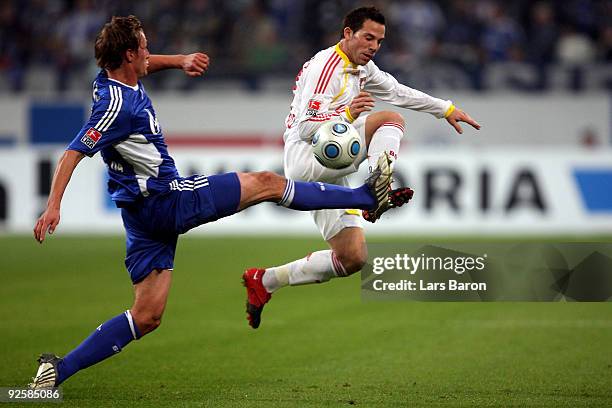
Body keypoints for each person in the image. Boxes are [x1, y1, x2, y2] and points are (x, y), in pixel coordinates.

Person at [28, 15, 410, 389]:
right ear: (129, 55)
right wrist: (54, 205)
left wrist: (178, 61)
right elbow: (73, 153)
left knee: (146, 316)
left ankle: (57, 371)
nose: (149, 53)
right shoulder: (115, 108)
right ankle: (363, 195)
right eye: (144, 48)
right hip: (167, 199)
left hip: (139, 215)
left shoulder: (112, 80)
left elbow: (144, 67)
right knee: (266, 183)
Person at [242, 6, 481, 329]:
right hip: (307, 159)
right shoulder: (325, 67)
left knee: (353, 257)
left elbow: (396, 91)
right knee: (390, 120)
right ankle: (377, 187)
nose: (373, 46)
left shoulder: (362, 68)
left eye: (379, 41)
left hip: (334, 163)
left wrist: (445, 108)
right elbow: (306, 128)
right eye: (368, 38)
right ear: (347, 34)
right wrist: (348, 116)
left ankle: (266, 281)